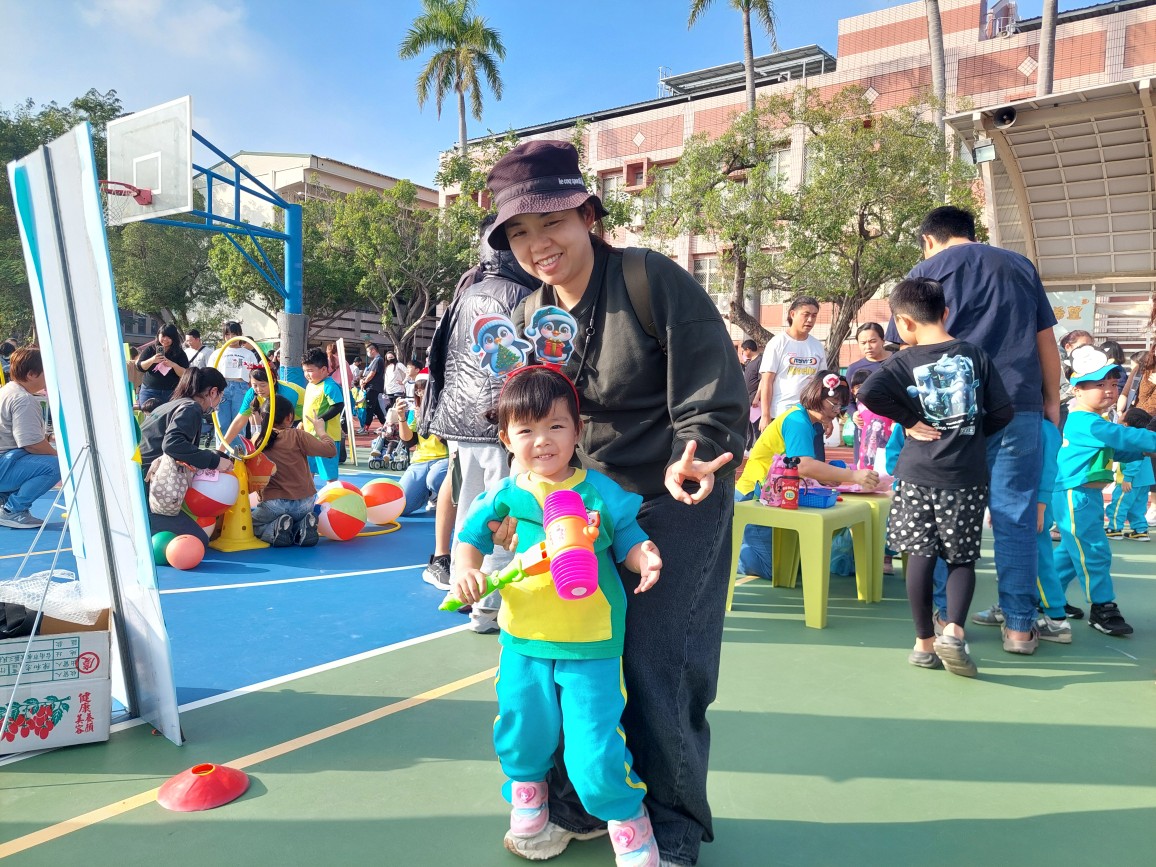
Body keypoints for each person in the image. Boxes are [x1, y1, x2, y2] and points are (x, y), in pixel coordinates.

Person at [485, 139, 747, 865]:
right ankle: (580, 803)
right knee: (564, 654)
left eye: (552, 222)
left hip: (675, 491)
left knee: (660, 662)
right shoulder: (530, 314)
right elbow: (529, 419)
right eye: (519, 231)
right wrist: (519, 498)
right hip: (578, 507)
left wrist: (697, 446)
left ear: (588, 215)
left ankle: (672, 825)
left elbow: (713, 389)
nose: (538, 243)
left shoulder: (649, 279)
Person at [451, 366, 664, 867]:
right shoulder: (506, 494)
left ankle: (628, 821)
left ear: (578, 431)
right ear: (506, 440)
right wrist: (465, 571)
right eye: (526, 430)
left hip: (592, 643)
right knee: (522, 729)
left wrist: (646, 557)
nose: (542, 441)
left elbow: (630, 538)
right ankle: (529, 797)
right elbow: (469, 539)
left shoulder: (600, 493)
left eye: (555, 426)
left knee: (594, 749)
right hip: (523, 640)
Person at [887, 205, 1060, 655]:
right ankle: (1019, 627)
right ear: (971, 232)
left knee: (943, 517)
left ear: (929, 239)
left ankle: (947, 619)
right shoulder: (1020, 266)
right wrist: (1051, 401)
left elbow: (904, 348)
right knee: (1015, 515)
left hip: (949, 414)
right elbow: (1045, 339)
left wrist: (910, 416)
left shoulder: (925, 271)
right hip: (1019, 405)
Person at [860, 277, 1013, 676]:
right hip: (965, 475)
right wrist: (971, 434)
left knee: (920, 555)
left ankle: (923, 643)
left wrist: (910, 421)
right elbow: (1003, 412)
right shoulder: (975, 354)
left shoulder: (902, 361)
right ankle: (954, 633)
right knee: (961, 558)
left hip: (916, 473)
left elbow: (868, 393)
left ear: (903, 322)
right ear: (945, 312)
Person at [421, 215, 536, 608]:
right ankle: (490, 602)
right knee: (505, 511)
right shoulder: (524, 295)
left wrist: (434, 414)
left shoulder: (465, 292)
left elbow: (438, 357)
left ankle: (460, 585)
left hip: (458, 421)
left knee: (469, 509)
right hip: (501, 422)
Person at [1052, 346, 1156, 637]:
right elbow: (1120, 436)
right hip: (1076, 495)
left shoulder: (1092, 422)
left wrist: (1140, 452)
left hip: (1084, 495)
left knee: (1071, 552)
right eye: (1099, 385)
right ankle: (1102, 607)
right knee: (1094, 551)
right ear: (1077, 390)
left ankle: (1046, 597)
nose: (1109, 390)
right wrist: (1149, 441)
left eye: (1113, 383)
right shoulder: (1086, 421)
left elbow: (1114, 449)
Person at [734, 372, 879, 577]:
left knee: (793, 566)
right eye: (834, 404)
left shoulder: (805, 420)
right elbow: (803, 465)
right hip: (753, 498)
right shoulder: (798, 422)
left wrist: (826, 475)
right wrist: (853, 476)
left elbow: (800, 465)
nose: (836, 411)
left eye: (841, 407)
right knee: (775, 569)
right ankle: (728, 555)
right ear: (816, 396)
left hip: (770, 496)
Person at [138, 367, 235, 548]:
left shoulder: (174, 404)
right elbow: (173, 444)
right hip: (149, 484)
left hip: (142, 476)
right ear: (213, 392)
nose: (219, 402)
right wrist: (215, 461)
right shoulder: (191, 408)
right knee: (197, 541)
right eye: (221, 396)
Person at [249, 395, 333, 547]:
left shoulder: (257, 440)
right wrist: (320, 431)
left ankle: (276, 529)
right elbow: (330, 450)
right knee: (293, 517)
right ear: (289, 417)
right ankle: (300, 527)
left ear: (263, 417)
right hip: (305, 503)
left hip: (274, 504)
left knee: (250, 525)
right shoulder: (297, 435)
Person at [0, 348, 60, 529]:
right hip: (3, 465)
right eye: (46, 373)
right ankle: (12, 510)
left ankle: (4, 501)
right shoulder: (23, 399)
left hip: (5, 461)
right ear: (32, 374)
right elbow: (32, 444)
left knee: (27, 459)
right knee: (55, 466)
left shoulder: (6, 391)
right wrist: (59, 456)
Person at [758, 296, 824, 432]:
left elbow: (821, 383)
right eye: (806, 314)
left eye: (814, 315)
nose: (810, 320)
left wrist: (826, 417)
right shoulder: (777, 343)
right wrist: (765, 415)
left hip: (810, 415)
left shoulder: (817, 346)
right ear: (792, 314)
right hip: (782, 415)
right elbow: (767, 382)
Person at [394, 380, 448, 516]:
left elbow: (447, 441)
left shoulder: (447, 408)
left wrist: (429, 420)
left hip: (445, 459)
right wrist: (401, 417)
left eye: (423, 389)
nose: (420, 393)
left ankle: (441, 497)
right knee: (401, 508)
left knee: (435, 478)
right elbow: (408, 441)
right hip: (420, 461)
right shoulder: (417, 411)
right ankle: (429, 494)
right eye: (418, 391)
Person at [219, 367, 300, 447]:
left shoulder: (286, 394)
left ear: (274, 381)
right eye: (255, 385)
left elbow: (286, 423)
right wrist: (222, 448)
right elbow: (239, 422)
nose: (259, 389)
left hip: (299, 417)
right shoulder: (251, 394)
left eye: (263, 385)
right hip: (285, 420)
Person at [846, 323, 892, 464]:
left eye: (872, 341)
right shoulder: (853, 369)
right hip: (864, 430)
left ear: (883, 340)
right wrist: (853, 413)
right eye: (863, 343)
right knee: (865, 469)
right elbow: (848, 401)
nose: (868, 347)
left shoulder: (897, 361)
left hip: (892, 427)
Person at [1106, 407, 1153, 541]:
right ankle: (1140, 530)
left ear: (1126, 424)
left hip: (1130, 481)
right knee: (1138, 507)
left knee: (1119, 504)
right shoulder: (1144, 437)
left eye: (1123, 415)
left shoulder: (1132, 439)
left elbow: (1134, 461)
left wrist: (1128, 478)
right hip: (1145, 480)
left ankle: (1114, 528)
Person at [301, 348, 344, 483]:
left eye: (310, 371)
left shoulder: (330, 386)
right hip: (310, 437)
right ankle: (308, 495)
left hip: (327, 438)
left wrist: (321, 419)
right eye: (304, 371)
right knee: (307, 471)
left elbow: (338, 405)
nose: (307, 374)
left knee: (329, 475)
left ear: (324, 369)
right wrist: (303, 422)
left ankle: (333, 493)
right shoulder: (310, 385)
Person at [215, 321, 258, 448]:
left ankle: (237, 454)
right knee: (222, 424)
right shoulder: (218, 353)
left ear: (240, 334)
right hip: (222, 388)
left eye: (234, 334)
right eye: (227, 334)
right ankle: (221, 453)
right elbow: (211, 371)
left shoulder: (248, 354)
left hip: (241, 388)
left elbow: (255, 374)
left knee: (239, 425)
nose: (230, 337)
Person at [134, 324, 190, 408]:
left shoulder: (179, 353)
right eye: (163, 336)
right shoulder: (150, 349)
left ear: (174, 338)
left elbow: (185, 374)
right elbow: (140, 367)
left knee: (168, 415)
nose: (165, 339)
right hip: (149, 390)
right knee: (149, 415)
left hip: (170, 392)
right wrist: (152, 360)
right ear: (158, 335)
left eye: (169, 337)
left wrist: (173, 365)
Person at [738, 338, 762, 450]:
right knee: (750, 427)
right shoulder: (750, 362)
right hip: (749, 400)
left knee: (757, 428)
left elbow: (763, 381)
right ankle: (750, 448)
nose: (743, 353)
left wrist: (757, 397)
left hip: (757, 402)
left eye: (743, 350)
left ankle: (758, 449)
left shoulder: (760, 361)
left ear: (748, 349)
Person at [359, 342, 387, 434]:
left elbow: (372, 373)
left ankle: (365, 428)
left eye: (368, 351)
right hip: (372, 387)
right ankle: (385, 425)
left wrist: (364, 382)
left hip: (373, 387)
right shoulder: (375, 360)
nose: (368, 353)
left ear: (373, 350)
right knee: (376, 408)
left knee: (370, 408)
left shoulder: (378, 360)